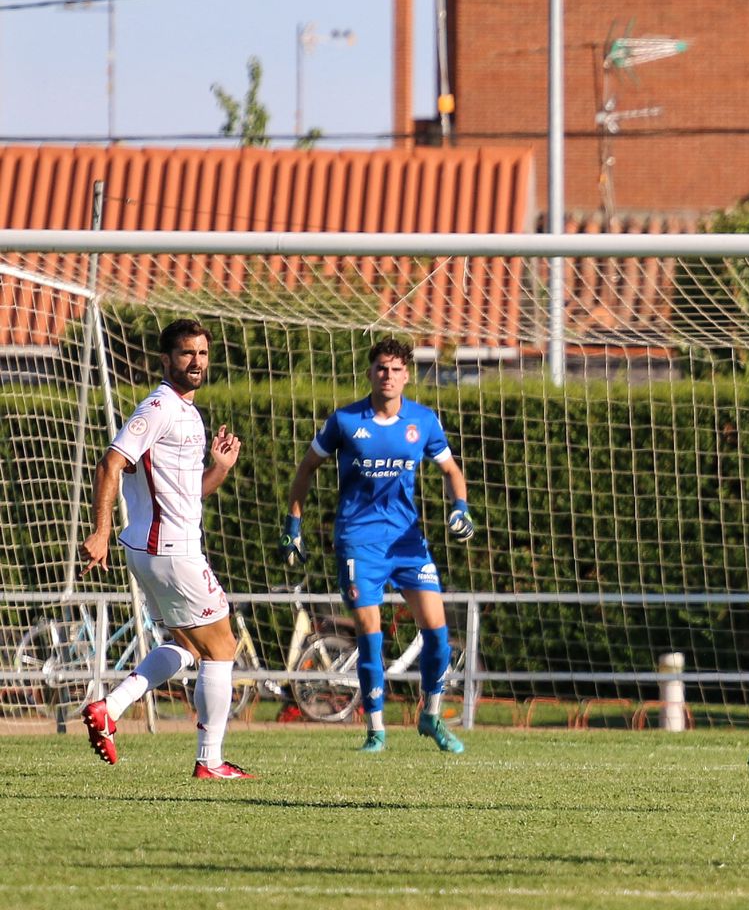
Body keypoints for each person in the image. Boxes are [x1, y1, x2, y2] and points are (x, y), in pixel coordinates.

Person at [280, 336, 474, 754]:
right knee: (370, 634)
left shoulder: (423, 422)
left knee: (438, 637)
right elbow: (306, 468)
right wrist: (293, 524)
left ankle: (431, 717)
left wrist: (461, 508)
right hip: (358, 542)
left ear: (407, 376)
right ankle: (376, 730)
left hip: (407, 543)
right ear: (370, 373)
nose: (388, 376)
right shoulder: (346, 421)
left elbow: (452, 471)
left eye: (396, 369)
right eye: (381, 368)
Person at [78, 319, 251, 779]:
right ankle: (209, 761)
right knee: (222, 647)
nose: (196, 362)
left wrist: (221, 468)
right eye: (186, 354)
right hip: (170, 549)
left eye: (202, 353)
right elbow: (110, 462)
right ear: (166, 360)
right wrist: (99, 530)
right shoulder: (158, 406)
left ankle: (109, 708)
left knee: (188, 648)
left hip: (155, 549)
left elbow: (187, 492)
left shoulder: (188, 412)